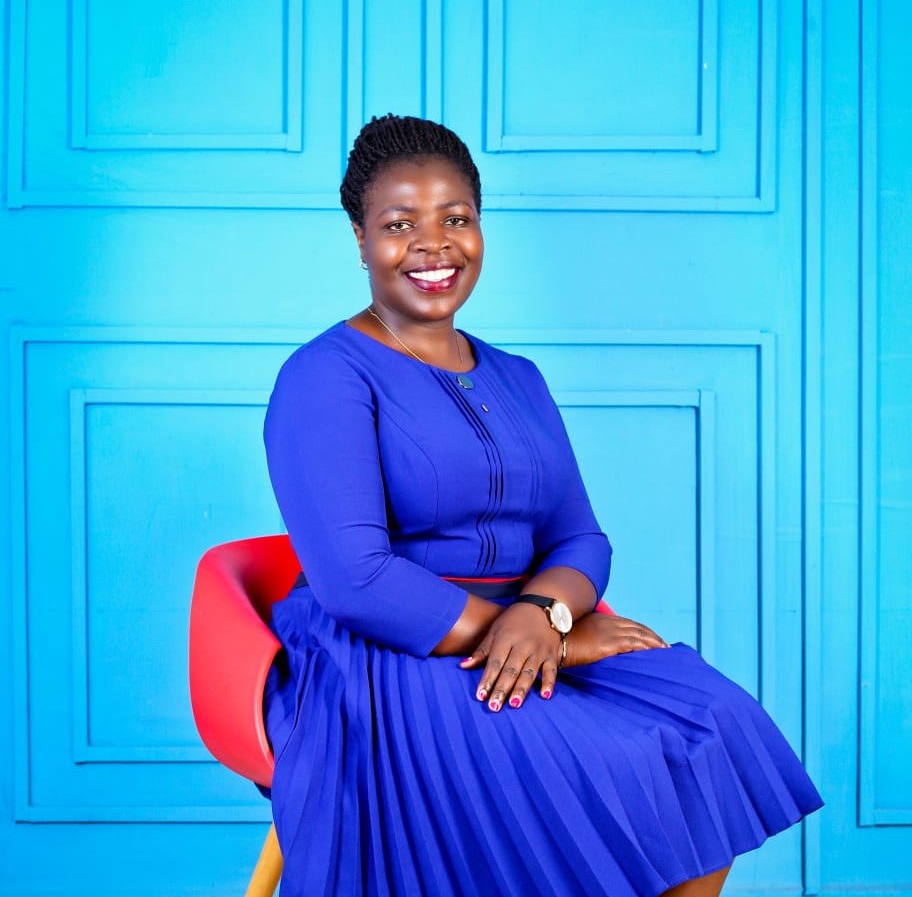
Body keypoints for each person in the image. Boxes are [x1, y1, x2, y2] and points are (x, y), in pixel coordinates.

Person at [262, 113, 823, 897]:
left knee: (710, 724)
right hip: (392, 651)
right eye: (399, 225)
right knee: (606, 760)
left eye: (456, 218)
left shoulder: (518, 377)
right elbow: (358, 581)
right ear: (360, 239)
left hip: (527, 624)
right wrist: (545, 638)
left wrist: (547, 617)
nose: (434, 246)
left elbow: (580, 537)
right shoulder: (325, 376)